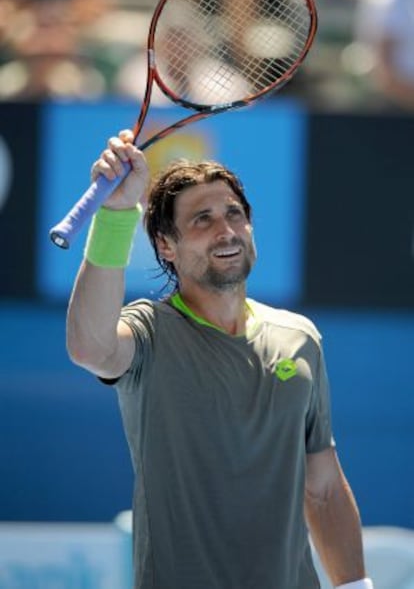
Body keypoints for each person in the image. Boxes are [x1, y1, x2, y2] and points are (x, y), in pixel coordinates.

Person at [66, 129, 374, 589]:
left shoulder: (299, 338)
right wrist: (115, 212)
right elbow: (90, 346)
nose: (226, 231)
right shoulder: (149, 332)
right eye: (202, 220)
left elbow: (324, 488)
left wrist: (355, 587)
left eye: (235, 214)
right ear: (166, 247)